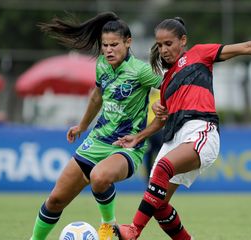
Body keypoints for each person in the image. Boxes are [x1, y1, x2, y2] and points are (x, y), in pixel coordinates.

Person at [113, 17, 251, 240]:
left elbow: (246, 47)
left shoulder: (199, 54)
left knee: (162, 169)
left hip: (201, 130)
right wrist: (139, 136)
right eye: (160, 45)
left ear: (183, 40)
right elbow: (161, 120)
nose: (163, 50)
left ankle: (134, 230)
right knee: (158, 204)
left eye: (168, 43)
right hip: (175, 137)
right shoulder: (166, 82)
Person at [28, 12, 162, 240]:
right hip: (97, 140)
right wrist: (81, 126)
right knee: (55, 200)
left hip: (126, 146)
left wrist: (162, 109)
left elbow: (172, 88)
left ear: (128, 42)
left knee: (99, 177)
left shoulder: (141, 71)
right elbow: (96, 96)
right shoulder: (101, 64)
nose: (108, 50)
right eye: (104, 45)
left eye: (114, 45)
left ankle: (107, 227)